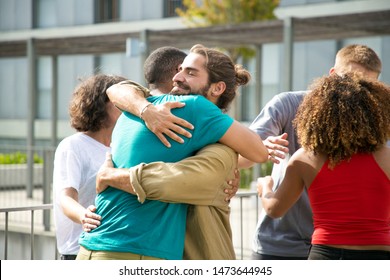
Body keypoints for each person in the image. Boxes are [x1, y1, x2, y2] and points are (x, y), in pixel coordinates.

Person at [77, 44, 271, 260]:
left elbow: (114, 89)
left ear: (217, 88)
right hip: (135, 250)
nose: (177, 77)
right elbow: (259, 153)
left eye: (190, 72)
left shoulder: (136, 108)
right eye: (180, 69)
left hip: (93, 246)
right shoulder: (197, 107)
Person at [238, 44, 383, 260]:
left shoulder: (378, 120)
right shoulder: (288, 103)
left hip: (342, 246)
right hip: (282, 244)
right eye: (349, 79)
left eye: (366, 84)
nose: (355, 90)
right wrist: (260, 150)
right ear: (332, 75)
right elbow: (241, 159)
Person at [52, 74, 126, 260]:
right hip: (78, 252)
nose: (127, 104)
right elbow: (66, 199)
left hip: (110, 249)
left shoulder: (120, 146)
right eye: (119, 100)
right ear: (99, 104)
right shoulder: (73, 146)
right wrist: (84, 216)